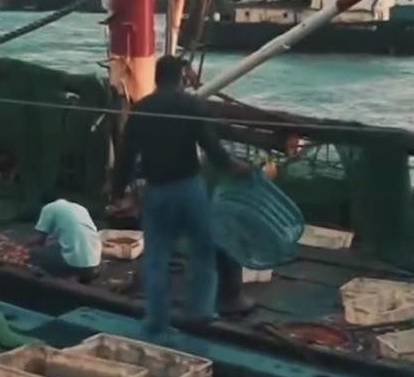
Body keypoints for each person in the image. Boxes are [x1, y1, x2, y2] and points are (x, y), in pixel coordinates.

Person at [110, 55, 250, 339]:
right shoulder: (191, 105)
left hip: (157, 191)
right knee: (203, 250)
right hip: (189, 188)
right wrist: (234, 167)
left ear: (157, 78)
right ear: (180, 78)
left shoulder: (142, 109)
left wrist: (117, 192)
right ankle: (200, 313)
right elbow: (211, 147)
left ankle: (156, 323)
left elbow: (126, 155)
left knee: (156, 257)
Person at [27, 198, 102, 284]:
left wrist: (26, 246)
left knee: (34, 253)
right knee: (64, 248)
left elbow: (40, 240)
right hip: (95, 264)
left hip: (75, 263)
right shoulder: (80, 208)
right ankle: (83, 275)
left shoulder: (48, 208)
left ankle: (60, 277)